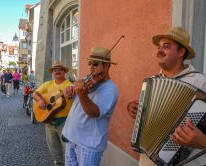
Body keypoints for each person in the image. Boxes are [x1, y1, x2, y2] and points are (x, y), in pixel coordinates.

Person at [127, 26, 206, 166]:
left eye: (166, 46)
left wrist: (203, 141)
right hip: (147, 158)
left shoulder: (200, 82)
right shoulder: (152, 82)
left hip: (185, 161)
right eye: (159, 46)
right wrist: (134, 108)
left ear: (181, 52)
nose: (159, 50)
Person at [62, 47, 119, 166]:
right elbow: (73, 97)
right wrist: (68, 92)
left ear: (107, 65)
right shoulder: (86, 79)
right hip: (71, 138)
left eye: (95, 64)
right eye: (89, 63)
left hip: (88, 145)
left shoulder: (110, 89)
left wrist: (82, 94)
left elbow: (95, 112)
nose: (90, 67)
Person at [33, 61, 74, 166]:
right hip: (49, 120)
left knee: (68, 149)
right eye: (55, 70)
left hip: (65, 122)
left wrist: (69, 95)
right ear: (53, 72)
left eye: (60, 69)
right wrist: (41, 101)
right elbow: (35, 93)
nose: (57, 71)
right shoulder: (48, 84)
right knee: (53, 147)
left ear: (64, 71)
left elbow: (71, 97)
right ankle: (58, 163)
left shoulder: (70, 86)